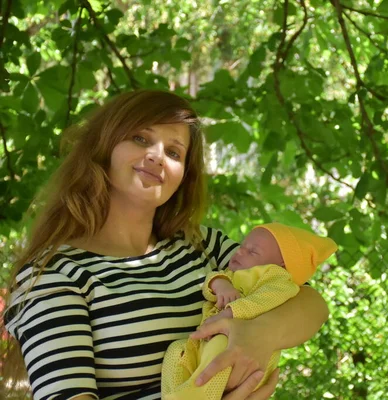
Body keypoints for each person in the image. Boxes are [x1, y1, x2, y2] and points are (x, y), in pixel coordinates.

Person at [1, 90, 330, 400]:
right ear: (103, 147)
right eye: (140, 138)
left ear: (183, 176)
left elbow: (310, 302)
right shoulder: (51, 275)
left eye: (174, 152)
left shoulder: (200, 244)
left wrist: (261, 336)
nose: (156, 156)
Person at [161, 222, 337, 399]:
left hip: (233, 342)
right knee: (176, 351)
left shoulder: (278, 279)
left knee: (221, 353)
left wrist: (232, 311)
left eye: (252, 251)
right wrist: (221, 284)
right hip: (203, 344)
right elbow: (211, 281)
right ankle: (176, 393)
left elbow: (266, 300)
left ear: (282, 264)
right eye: (242, 245)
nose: (239, 251)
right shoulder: (234, 273)